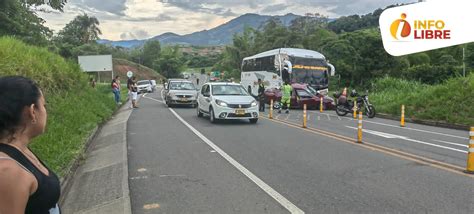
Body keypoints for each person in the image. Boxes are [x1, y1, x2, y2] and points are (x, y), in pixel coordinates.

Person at [0, 76, 61, 213]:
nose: (45, 112)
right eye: (44, 106)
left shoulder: (19, 150)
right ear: (32, 111)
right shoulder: (8, 172)